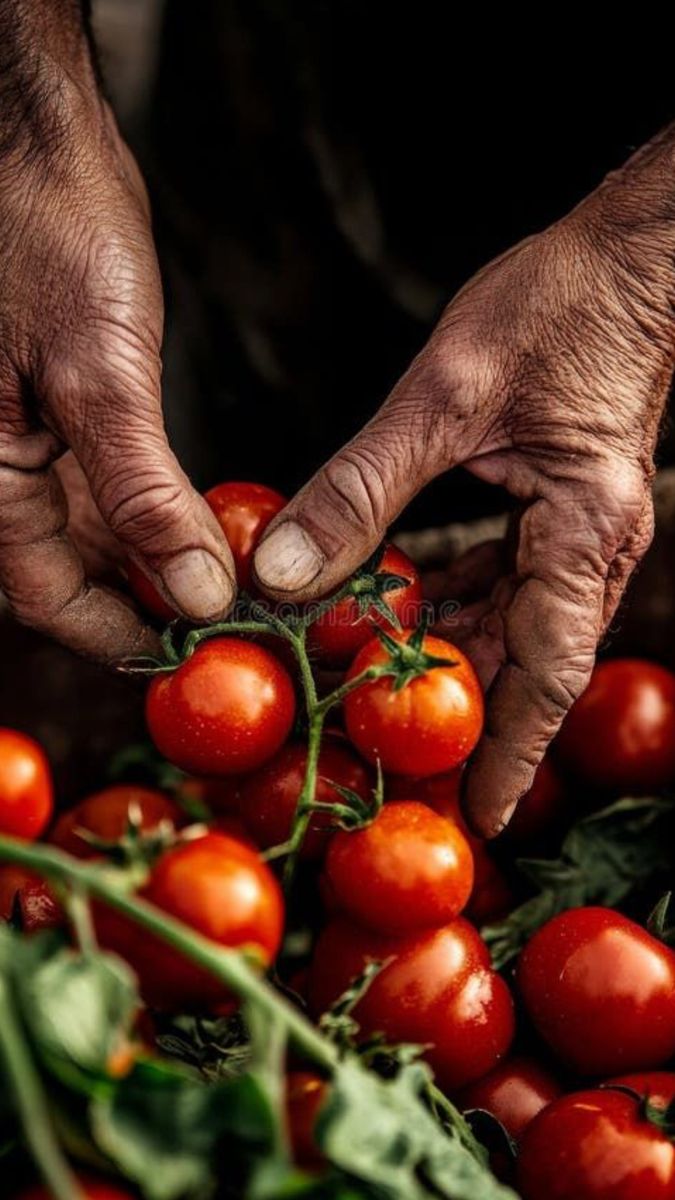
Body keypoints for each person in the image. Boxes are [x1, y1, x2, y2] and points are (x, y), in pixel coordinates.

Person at [0, 0, 673, 836]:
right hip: (280, 76)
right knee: (178, 410)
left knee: (556, 563)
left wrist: (646, 275)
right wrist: (23, 135)